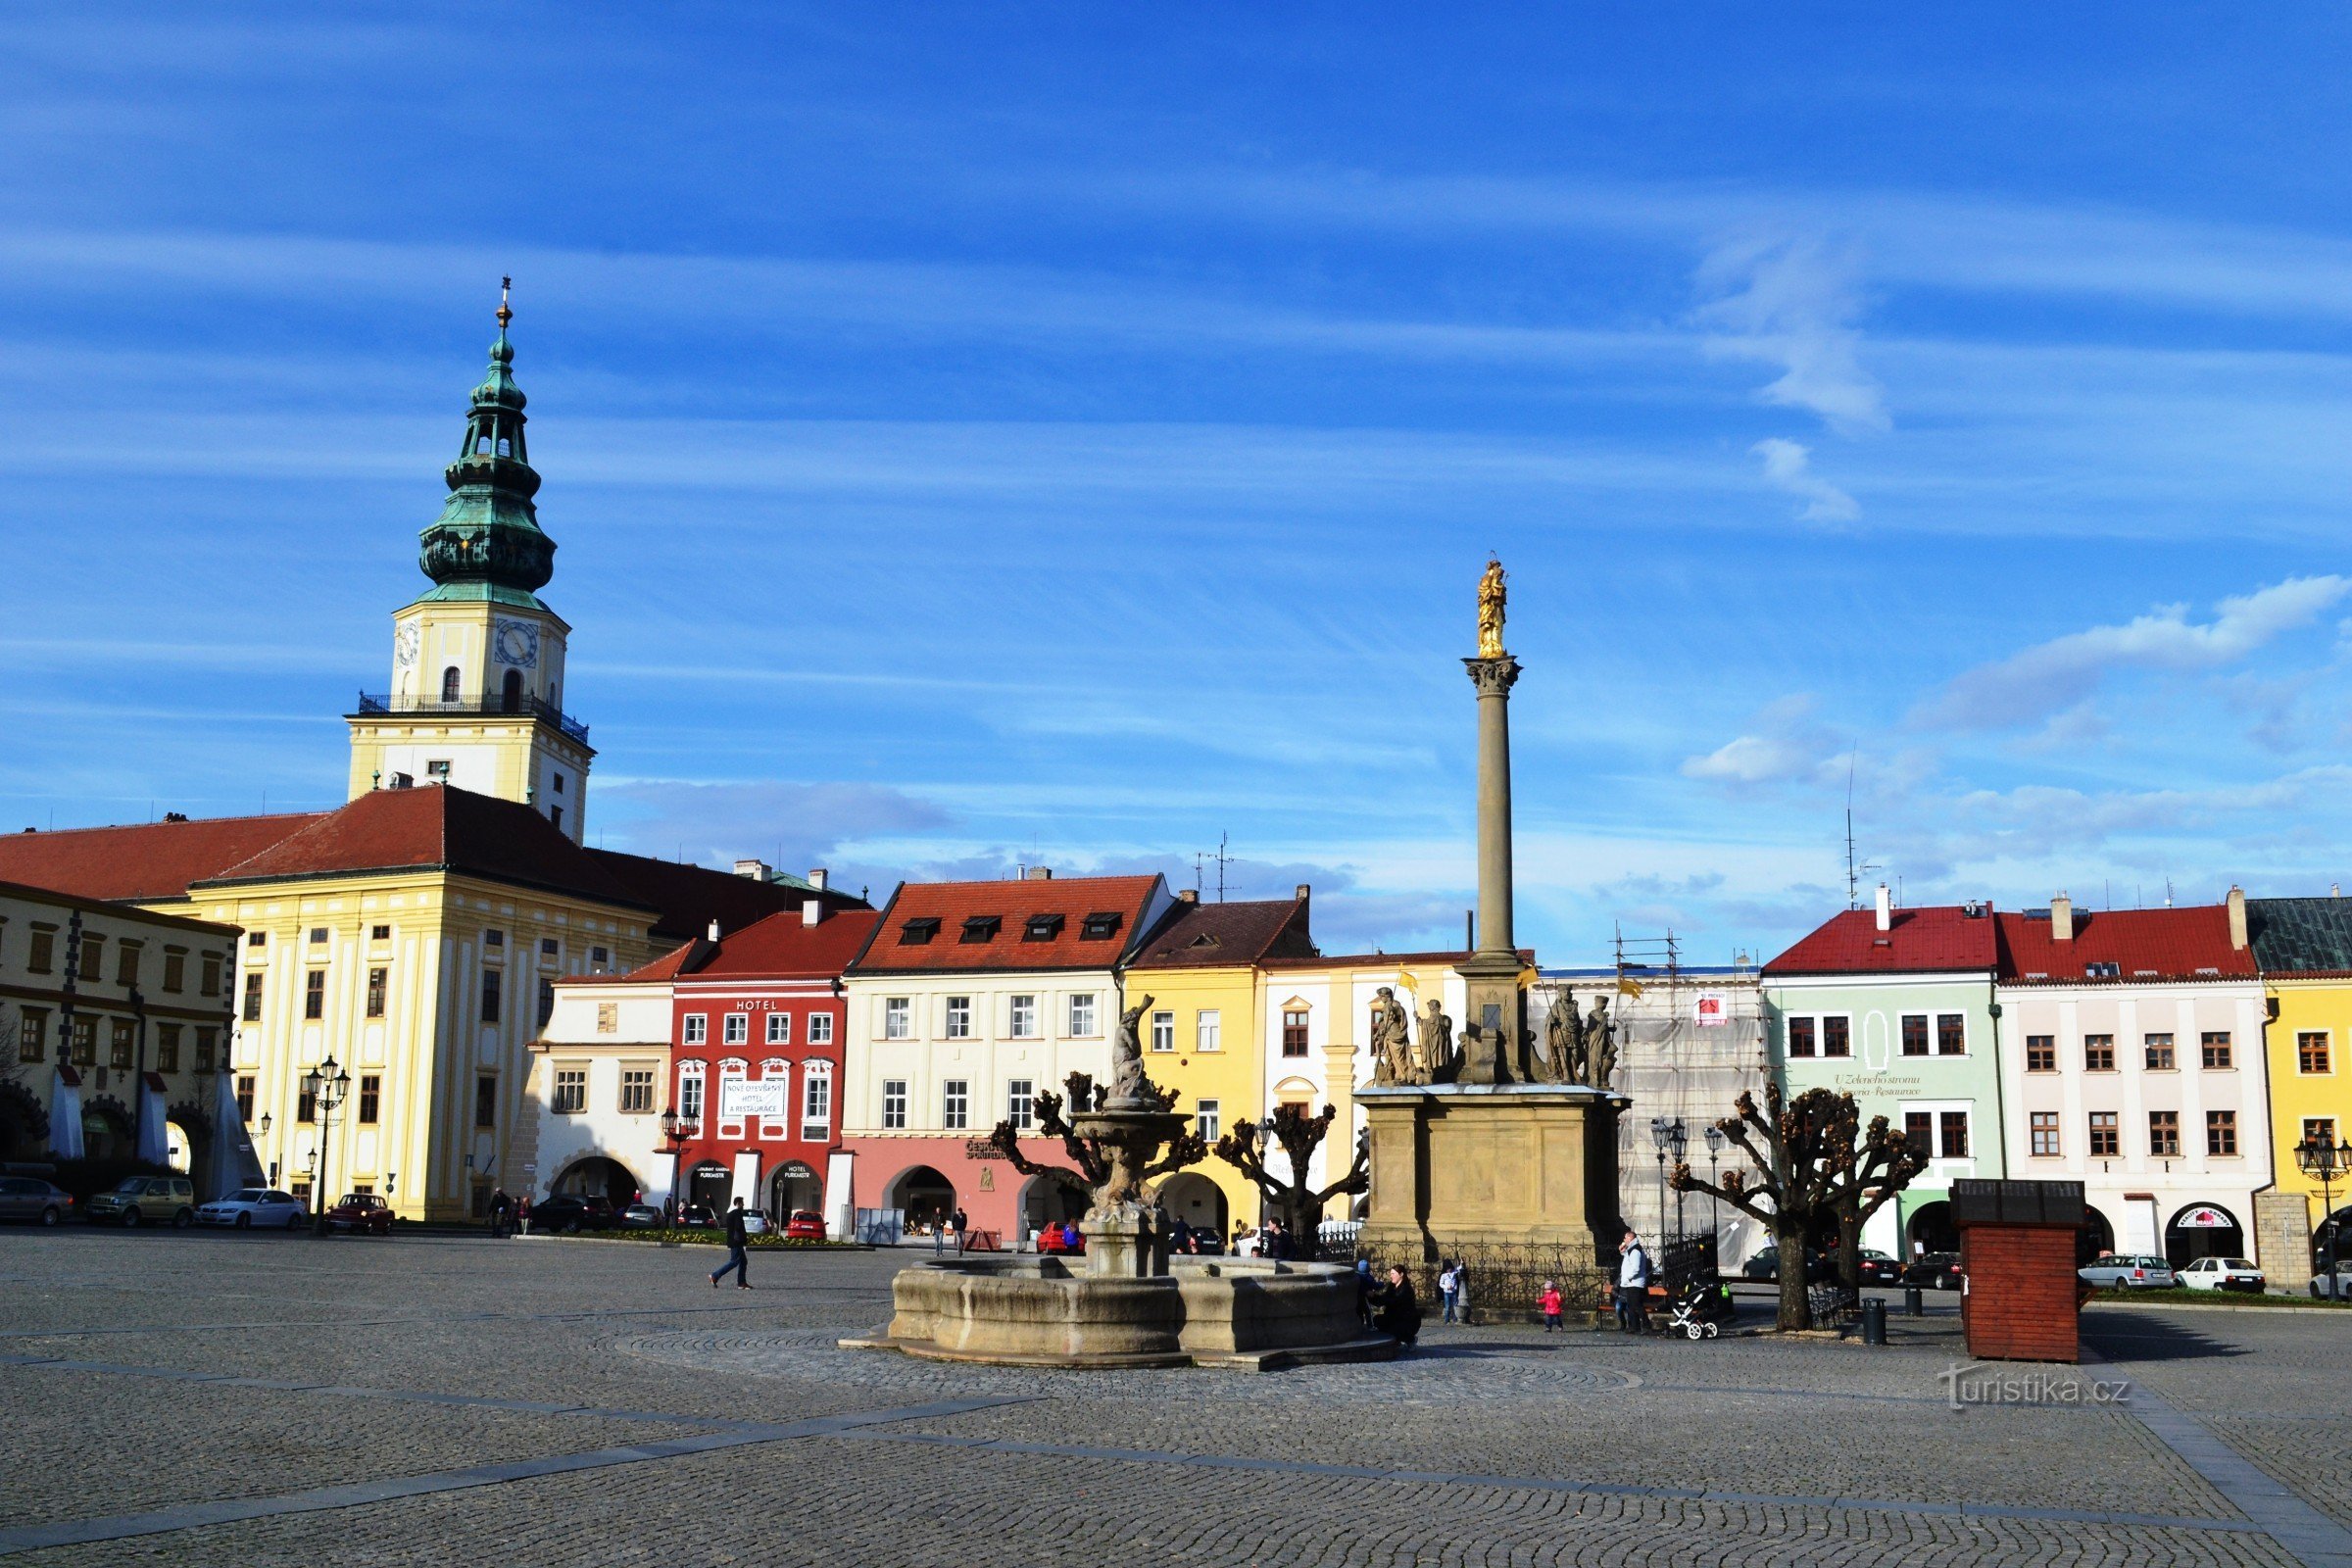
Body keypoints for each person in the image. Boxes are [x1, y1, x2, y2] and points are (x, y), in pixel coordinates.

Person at [1370, 1264, 1423, 1347]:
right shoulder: (1391, 1287)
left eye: (1393, 1274)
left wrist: (1375, 1296)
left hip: (1408, 1320)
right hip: (1394, 1317)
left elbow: (1393, 1301)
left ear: (1401, 1274)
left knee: (1395, 1329)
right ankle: (1397, 1341)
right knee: (1377, 1320)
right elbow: (1384, 1299)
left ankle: (1410, 1339)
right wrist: (1372, 1297)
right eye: (1390, 1274)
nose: (1391, 1276)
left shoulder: (1406, 1289)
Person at [710, 1197, 752, 1290]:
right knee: (734, 1261)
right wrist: (742, 1239)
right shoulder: (737, 1214)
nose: (743, 1205)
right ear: (738, 1203)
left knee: (743, 1262)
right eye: (742, 1203)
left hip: (734, 1241)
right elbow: (738, 1227)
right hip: (736, 1242)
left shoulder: (731, 1214)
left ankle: (741, 1283)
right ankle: (715, 1275)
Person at [1616, 1226, 1650, 1335]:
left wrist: (1628, 1278)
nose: (1624, 1240)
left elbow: (1635, 1267)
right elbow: (1628, 1259)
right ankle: (1634, 1327)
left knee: (1637, 1305)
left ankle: (1646, 1325)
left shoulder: (1635, 1250)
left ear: (1630, 1238)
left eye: (1625, 1238)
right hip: (1631, 1282)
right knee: (1631, 1306)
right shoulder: (1632, 1249)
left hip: (1635, 1282)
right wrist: (1622, 1251)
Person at [1439, 1260, 1460, 1324]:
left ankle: (1455, 1319)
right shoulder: (1443, 1275)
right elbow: (1441, 1284)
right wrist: (1446, 1287)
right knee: (1447, 1307)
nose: (1449, 1270)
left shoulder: (1454, 1272)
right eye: (1448, 1269)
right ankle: (1447, 1320)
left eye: (1450, 1268)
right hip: (1447, 1293)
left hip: (1454, 1292)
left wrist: (1461, 1263)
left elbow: (1458, 1268)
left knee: (1455, 1306)